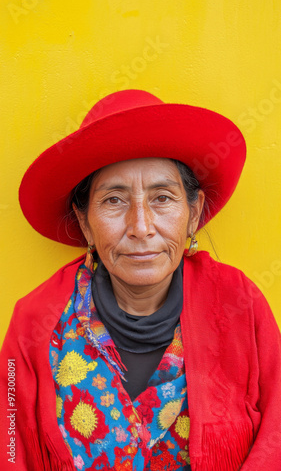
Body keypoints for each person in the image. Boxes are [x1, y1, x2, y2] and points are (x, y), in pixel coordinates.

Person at [0, 89, 281, 471]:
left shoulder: (239, 304)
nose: (141, 227)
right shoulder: (35, 320)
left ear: (193, 213)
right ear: (84, 221)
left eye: (162, 197)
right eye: (114, 200)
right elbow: (9, 448)